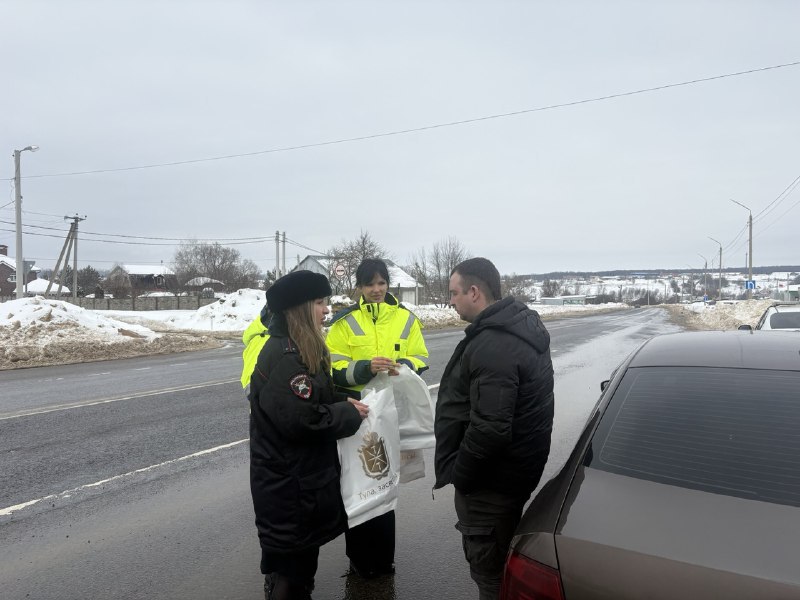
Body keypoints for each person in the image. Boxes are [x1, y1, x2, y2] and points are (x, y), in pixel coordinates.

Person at [434, 257, 554, 600]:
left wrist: (461, 475)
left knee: (490, 576)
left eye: (454, 293)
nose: (451, 301)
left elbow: (490, 429)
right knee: (501, 564)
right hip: (512, 473)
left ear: (474, 292)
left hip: (490, 485)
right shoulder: (514, 328)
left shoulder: (494, 345)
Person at [248, 270, 369, 600]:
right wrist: (347, 414)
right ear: (299, 308)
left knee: (297, 569)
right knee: (293, 576)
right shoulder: (285, 357)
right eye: (319, 302)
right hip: (290, 489)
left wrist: (340, 401)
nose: (326, 309)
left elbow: (312, 399)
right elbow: (303, 421)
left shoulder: (298, 348)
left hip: (297, 483)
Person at [325, 258, 429, 579]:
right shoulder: (344, 323)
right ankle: (359, 559)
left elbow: (421, 358)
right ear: (359, 287)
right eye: (369, 284)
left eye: (381, 282)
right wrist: (364, 368)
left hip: (391, 414)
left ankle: (383, 560)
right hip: (357, 415)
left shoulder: (406, 319)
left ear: (388, 284)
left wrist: (403, 366)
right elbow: (332, 368)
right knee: (357, 486)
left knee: (385, 483)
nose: (376, 289)